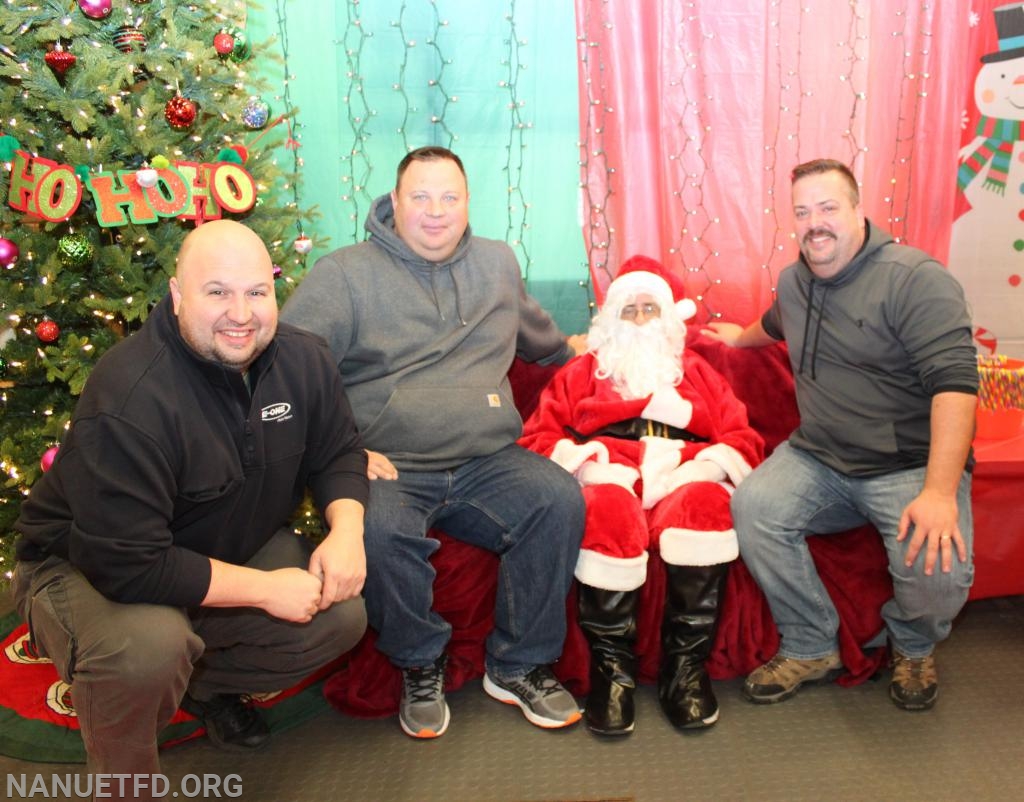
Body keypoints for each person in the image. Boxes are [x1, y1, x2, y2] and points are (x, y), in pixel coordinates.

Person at [12, 220, 370, 793]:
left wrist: (346, 530)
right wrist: (264, 590)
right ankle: (126, 779)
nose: (242, 313)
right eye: (217, 292)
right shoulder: (130, 395)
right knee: (148, 650)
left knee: (341, 615)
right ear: (177, 296)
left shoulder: (303, 360)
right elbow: (131, 564)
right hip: (86, 565)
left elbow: (339, 452)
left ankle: (204, 686)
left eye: (257, 292)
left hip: (218, 542)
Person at [280, 145, 586, 739]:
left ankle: (518, 664)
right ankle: (420, 662)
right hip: (391, 465)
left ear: (469, 204)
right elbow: (287, 370)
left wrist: (588, 358)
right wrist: (340, 447)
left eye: (450, 197)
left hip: (486, 459)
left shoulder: (497, 264)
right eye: (420, 197)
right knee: (377, 527)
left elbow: (542, 340)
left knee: (558, 499)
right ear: (394, 203)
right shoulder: (343, 275)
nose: (436, 212)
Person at [704, 158, 978, 711]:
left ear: (858, 210)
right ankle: (811, 643)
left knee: (940, 570)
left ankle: (913, 643)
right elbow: (776, 321)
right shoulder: (796, 280)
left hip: (907, 465)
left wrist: (939, 492)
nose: (814, 223)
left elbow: (957, 387)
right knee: (754, 507)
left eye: (828, 208)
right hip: (818, 458)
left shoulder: (915, 280)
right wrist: (739, 340)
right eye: (802, 212)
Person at [520, 255, 763, 735]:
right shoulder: (583, 372)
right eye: (627, 311)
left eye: (649, 309)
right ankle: (613, 674)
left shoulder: (695, 371)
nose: (638, 320)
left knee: (706, 508)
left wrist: (704, 467)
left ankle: (685, 671)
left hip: (683, 473)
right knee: (607, 513)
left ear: (668, 319)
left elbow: (740, 436)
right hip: (611, 477)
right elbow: (538, 437)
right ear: (609, 320)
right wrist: (591, 470)